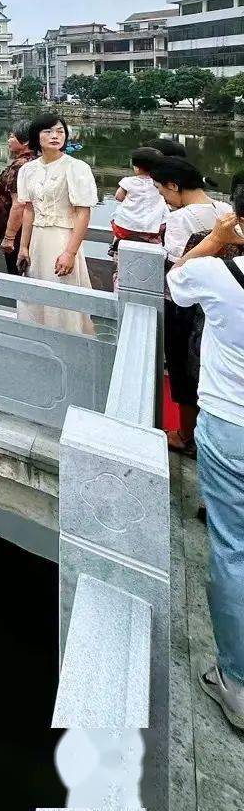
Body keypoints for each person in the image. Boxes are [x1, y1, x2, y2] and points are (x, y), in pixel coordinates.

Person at [167, 185, 244, 730]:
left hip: (231, 423)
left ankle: (236, 680)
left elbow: (175, 283)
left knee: (233, 550)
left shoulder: (222, 275)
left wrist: (216, 240)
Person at [153, 156, 220, 455]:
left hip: (184, 308)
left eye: (162, 191)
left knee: (181, 371)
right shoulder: (225, 210)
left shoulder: (181, 220)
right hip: (217, 305)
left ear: (174, 185)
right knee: (208, 371)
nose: (163, 199)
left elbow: (176, 269)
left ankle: (184, 435)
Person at [13, 112, 99, 334]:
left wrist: (69, 253)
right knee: (35, 295)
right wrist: (23, 246)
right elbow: (29, 210)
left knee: (61, 294)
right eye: (48, 131)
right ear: (36, 137)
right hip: (37, 241)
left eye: (60, 131)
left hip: (62, 238)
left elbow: (83, 214)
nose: (55, 136)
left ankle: (68, 341)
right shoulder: (27, 169)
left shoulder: (76, 167)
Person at [0, 125, 36, 276]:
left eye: (12, 136)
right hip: (28, 229)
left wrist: (9, 237)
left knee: (15, 271)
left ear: (25, 142)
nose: (8, 140)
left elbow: (19, 204)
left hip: (17, 232)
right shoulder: (36, 161)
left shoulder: (21, 166)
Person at [111, 146, 168, 249]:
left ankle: (115, 247)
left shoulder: (128, 181)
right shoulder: (161, 183)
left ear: (136, 167)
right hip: (153, 228)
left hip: (126, 227)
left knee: (117, 221)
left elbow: (118, 197)